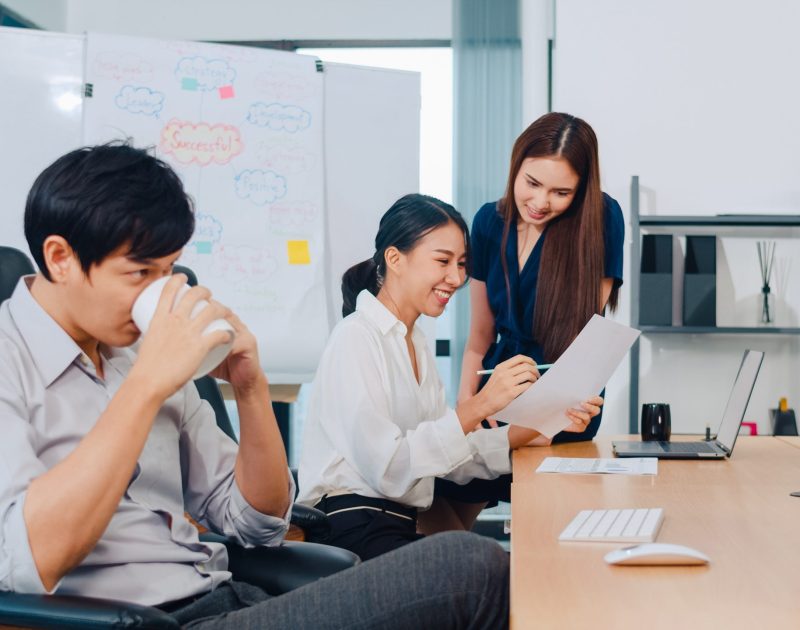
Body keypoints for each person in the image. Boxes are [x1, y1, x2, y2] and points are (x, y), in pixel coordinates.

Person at [0, 143, 511, 629]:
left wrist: (250, 388)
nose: (158, 291)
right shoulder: (14, 360)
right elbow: (28, 559)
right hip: (146, 618)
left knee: (480, 573)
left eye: (167, 271)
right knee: (470, 568)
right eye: (139, 274)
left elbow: (256, 521)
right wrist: (146, 387)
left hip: (222, 596)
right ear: (61, 258)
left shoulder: (133, 352)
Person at [296, 193, 603, 561]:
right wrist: (482, 403)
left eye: (461, 264)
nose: (456, 278)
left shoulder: (416, 343)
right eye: (442, 261)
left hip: (395, 524)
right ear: (395, 259)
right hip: (353, 531)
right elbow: (391, 468)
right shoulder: (355, 338)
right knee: (494, 570)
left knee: (518, 568)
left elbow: (453, 455)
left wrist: (546, 423)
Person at [422, 112, 625, 535]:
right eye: (531, 183)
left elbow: (587, 344)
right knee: (433, 499)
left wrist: (556, 409)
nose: (540, 201)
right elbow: (479, 338)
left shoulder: (600, 219)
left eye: (561, 191)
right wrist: (468, 408)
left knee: (545, 524)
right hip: (496, 391)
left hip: (565, 398)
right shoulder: (487, 222)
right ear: (516, 167)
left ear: (581, 189)